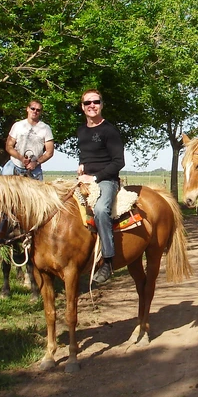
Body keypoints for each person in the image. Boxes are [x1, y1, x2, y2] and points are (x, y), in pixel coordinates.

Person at [76, 89, 125, 284]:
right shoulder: (81, 130)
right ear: (82, 107)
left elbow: (118, 162)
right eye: (87, 103)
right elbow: (86, 155)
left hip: (106, 180)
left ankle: (108, 260)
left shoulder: (109, 131)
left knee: (100, 210)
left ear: (101, 104)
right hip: (84, 178)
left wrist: (95, 178)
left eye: (95, 102)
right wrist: (82, 166)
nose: (92, 106)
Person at [3, 100, 54, 181]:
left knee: (38, 192)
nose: (35, 111)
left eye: (38, 110)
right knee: (2, 189)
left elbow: (49, 152)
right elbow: (8, 146)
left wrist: (36, 163)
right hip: (14, 165)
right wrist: (21, 158)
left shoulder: (45, 128)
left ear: (41, 112)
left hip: (34, 169)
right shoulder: (17, 125)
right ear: (27, 109)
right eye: (32, 108)